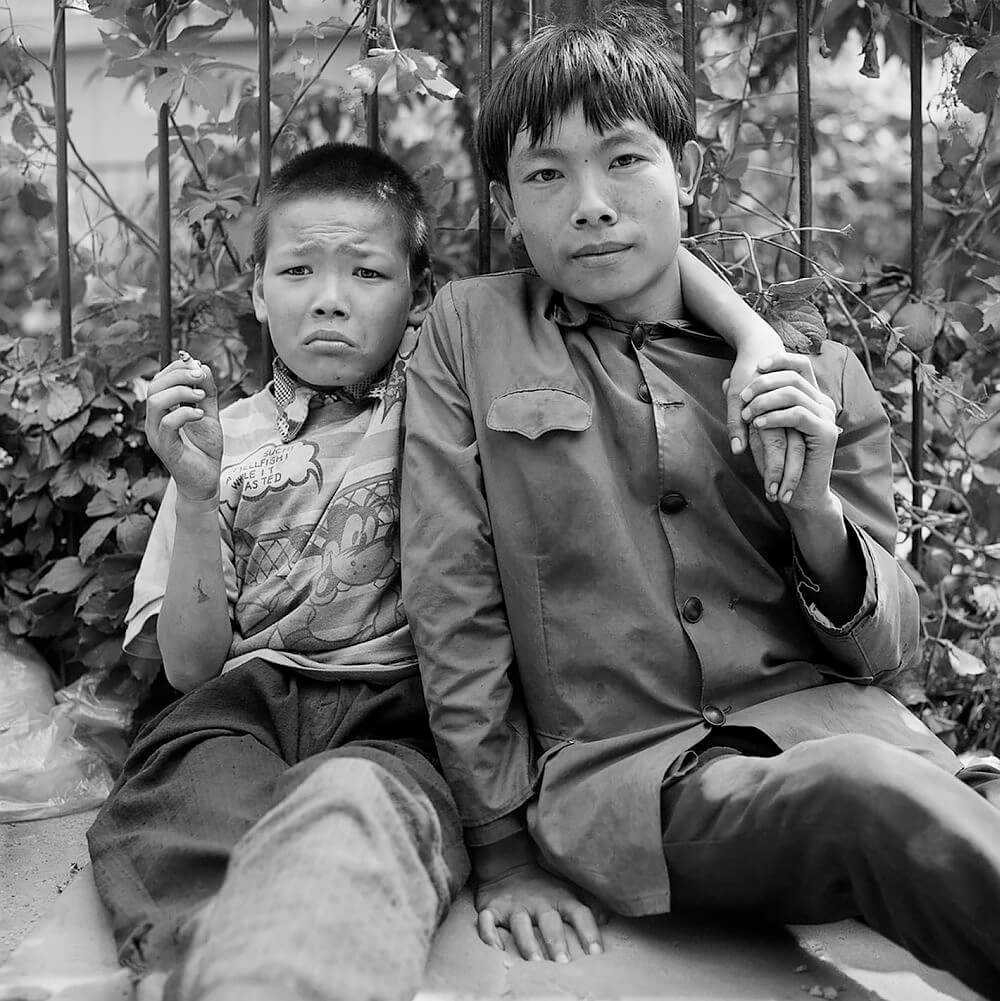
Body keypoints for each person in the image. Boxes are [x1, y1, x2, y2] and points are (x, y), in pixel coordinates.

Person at [399, 11, 1000, 1001]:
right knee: (860, 793)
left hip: (851, 733)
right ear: (507, 207)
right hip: (641, 782)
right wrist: (499, 845)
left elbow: (887, 646)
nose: (589, 205)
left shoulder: (812, 372)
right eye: (545, 175)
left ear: (684, 174)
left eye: (623, 159)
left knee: (876, 782)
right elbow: (450, 592)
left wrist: (812, 509)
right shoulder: (470, 333)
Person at [87, 143, 470, 1001]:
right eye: (297, 269)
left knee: (355, 815)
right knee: (195, 823)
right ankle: (216, 971)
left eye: (368, 271)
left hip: (398, 713)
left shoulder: (446, 404)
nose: (329, 298)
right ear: (258, 290)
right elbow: (188, 669)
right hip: (237, 709)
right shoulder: (217, 441)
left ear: (419, 294)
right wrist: (191, 496)